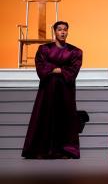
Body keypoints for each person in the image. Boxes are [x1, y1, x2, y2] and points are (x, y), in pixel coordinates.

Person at [22, 21, 82, 159]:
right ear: (54, 31)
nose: (62, 32)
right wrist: (60, 69)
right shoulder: (45, 49)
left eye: (65, 29)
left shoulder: (75, 51)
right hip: (47, 90)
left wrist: (53, 68)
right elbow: (41, 67)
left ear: (67, 32)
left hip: (65, 91)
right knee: (45, 116)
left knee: (64, 119)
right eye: (59, 29)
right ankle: (43, 149)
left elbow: (72, 71)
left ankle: (64, 150)